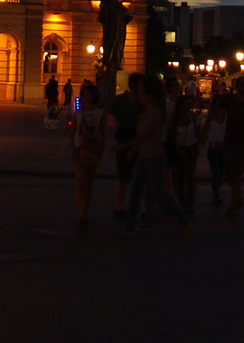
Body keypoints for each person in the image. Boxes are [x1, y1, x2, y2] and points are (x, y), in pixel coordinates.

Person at [116, 77, 189, 238]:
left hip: (155, 158)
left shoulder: (156, 114)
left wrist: (124, 147)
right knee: (135, 192)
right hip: (144, 156)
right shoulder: (145, 112)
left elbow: (144, 137)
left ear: (150, 95)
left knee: (160, 196)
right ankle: (128, 229)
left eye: (142, 92)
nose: (139, 94)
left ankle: (183, 221)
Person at [72, 82, 109, 227]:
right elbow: (74, 129)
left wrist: (101, 149)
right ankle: (81, 212)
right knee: (81, 181)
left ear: (94, 96)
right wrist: (72, 143)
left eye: (88, 94)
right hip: (78, 146)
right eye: (84, 94)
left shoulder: (99, 113)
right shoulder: (78, 111)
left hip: (93, 148)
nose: (85, 97)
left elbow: (102, 132)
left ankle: (85, 211)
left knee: (89, 182)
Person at [109, 73, 143, 219]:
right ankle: (120, 207)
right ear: (134, 85)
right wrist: (111, 125)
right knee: (123, 176)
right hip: (125, 138)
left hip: (139, 139)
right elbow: (109, 112)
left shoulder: (142, 101)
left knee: (140, 176)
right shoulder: (121, 100)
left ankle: (143, 208)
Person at [222, 76, 244, 215]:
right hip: (229, 140)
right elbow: (216, 112)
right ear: (236, 86)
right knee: (228, 172)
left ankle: (233, 204)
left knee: (235, 173)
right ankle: (238, 196)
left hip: (242, 142)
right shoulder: (229, 100)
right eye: (241, 85)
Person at [171, 94, 200, 213]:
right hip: (179, 148)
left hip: (191, 147)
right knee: (179, 177)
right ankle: (181, 201)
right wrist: (178, 148)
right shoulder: (175, 119)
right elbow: (172, 136)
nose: (189, 106)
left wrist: (196, 121)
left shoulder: (191, 116)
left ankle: (190, 203)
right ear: (181, 106)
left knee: (190, 177)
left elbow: (197, 132)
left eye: (190, 104)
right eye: (187, 104)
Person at [202, 94, 229, 206]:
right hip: (213, 148)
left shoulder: (227, 116)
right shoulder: (210, 117)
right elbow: (204, 130)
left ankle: (216, 193)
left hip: (223, 148)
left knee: (221, 172)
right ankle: (215, 195)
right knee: (216, 172)